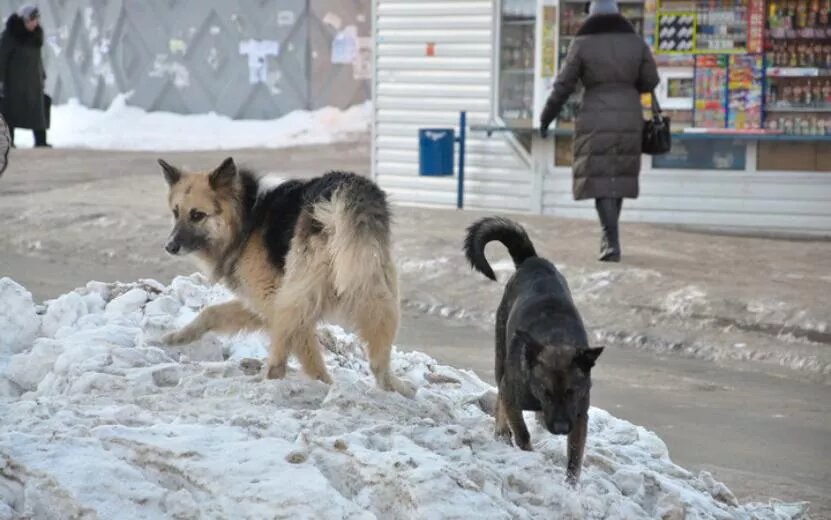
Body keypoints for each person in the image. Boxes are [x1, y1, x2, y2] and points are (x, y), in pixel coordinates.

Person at [540, 0, 658, 262]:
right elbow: (651, 80)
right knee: (618, 173)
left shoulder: (583, 42)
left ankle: (610, 240)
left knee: (601, 176)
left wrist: (546, 117)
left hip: (595, 114)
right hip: (629, 114)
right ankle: (611, 238)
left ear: (590, 14)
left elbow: (563, 85)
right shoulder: (635, 42)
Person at [0, 4, 50, 148]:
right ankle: (9, 142)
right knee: (11, 113)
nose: (35, 23)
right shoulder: (10, 36)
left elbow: (38, 58)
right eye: (32, 20)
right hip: (14, 82)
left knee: (38, 113)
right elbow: (1, 59)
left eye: (36, 20)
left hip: (34, 81)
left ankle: (41, 141)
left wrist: (43, 75)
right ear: (24, 20)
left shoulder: (35, 36)